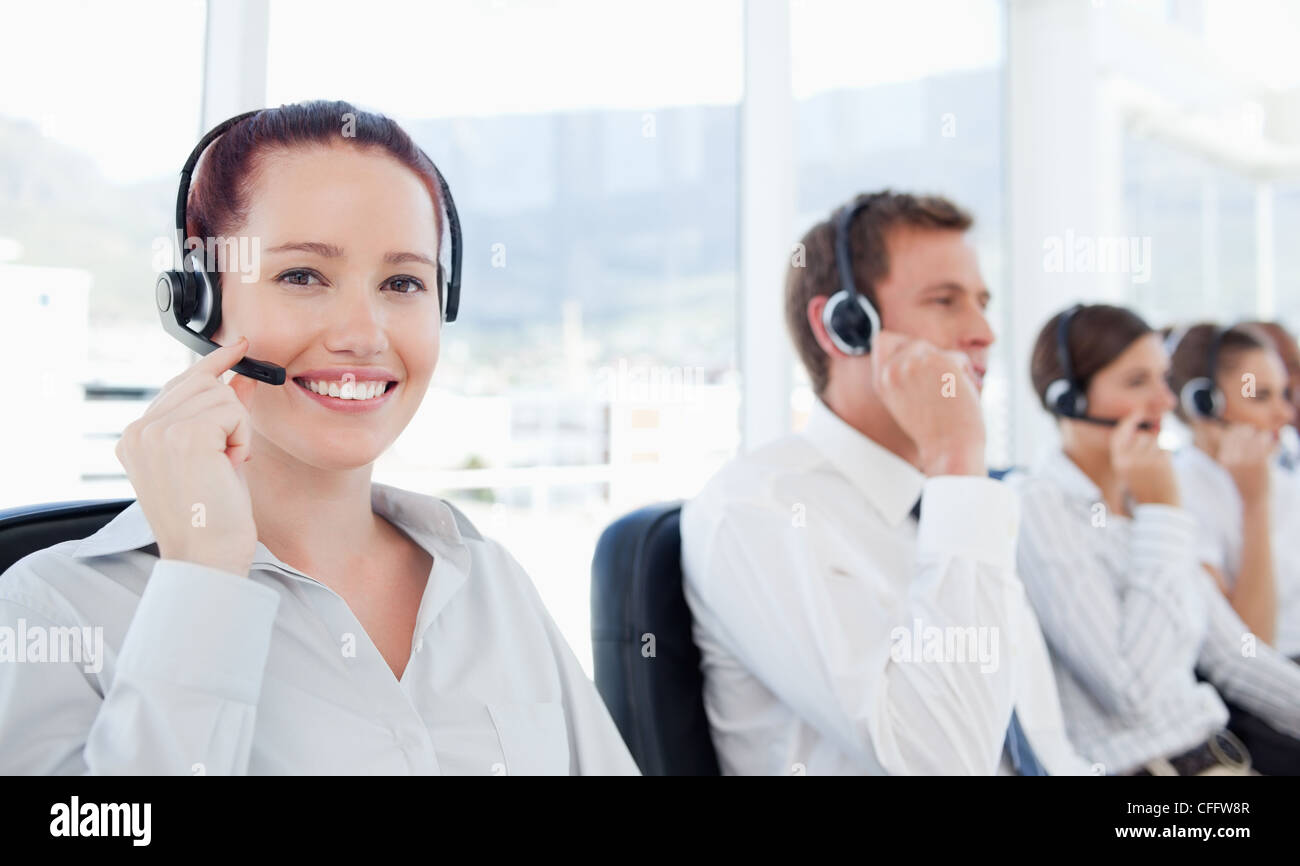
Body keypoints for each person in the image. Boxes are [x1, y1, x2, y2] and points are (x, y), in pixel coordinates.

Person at [0, 101, 639, 775]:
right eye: (302, 275)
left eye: (403, 282)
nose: (363, 334)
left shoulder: (489, 584)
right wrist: (203, 579)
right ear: (199, 301)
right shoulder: (53, 614)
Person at [680, 190, 1091, 775]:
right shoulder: (760, 509)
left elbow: (1046, 750)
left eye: (981, 301)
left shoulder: (950, 507)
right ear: (844, 327)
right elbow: (943, 761)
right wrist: (954, 456)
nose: (983, 333)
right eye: (945, 301)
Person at [1010, 303, 1300, 776]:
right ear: (1069, 398)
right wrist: (1163, 512)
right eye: (1136, 382)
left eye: (1162, 380)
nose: (1165, 402)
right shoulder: (1041, 508)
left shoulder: (1141, 498)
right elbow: (1133, 691)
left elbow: (1235, 658)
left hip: (1218, 757)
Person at [1166, 322, 1299, 656]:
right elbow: (1249, 648)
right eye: (1260, 396)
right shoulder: (1180, 492)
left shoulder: (1284, 482)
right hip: (1270, 683)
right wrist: (1254, 503)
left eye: (1283, 394)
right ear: (1204, 403)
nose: (1284, 414)